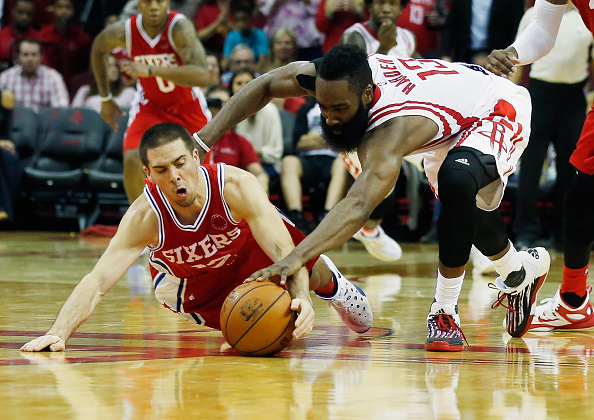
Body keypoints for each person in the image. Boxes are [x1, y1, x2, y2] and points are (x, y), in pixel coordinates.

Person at [195, 44, 552, 351]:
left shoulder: (388, 133)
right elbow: (266, 84)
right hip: (449, 106)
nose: (329, 119)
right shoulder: (334, 77)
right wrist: (202, 141)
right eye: (323, 107)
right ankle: (520, 274)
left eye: (340, 110)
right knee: (465, 209)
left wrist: (293, 260)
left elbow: (357, 205)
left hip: (493, 105)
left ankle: (444, 311)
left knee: (457, 182)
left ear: (366, 96)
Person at [20, 122, 372, 352]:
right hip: (195, 281)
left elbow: (284, 252)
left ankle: (335, 287)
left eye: (180, 163)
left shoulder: (235, 187)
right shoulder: (146, 215)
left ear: (196, 156)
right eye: (161, 170)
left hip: (250, 247)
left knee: (307, 264)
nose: (174, 176)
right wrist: (59, 331)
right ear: (148, 174)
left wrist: (303, 299)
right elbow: (97, 281)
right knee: (253, 334)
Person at [486, 0, 594, 331]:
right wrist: (513, 52)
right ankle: (574, 303)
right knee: (579, 198)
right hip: (545, 94)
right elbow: (545, 29)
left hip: (574, 94)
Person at [91, 0, 211, 204]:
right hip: (150, 106)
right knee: (132, 158)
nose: (154, 7)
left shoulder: (180, 28)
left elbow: (202, 76)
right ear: (139, 4)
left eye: (160, 1)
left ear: (168, 3)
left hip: (187, 107)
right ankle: (141, 221)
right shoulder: (125, 32)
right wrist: (105, 98)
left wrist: (150, 70)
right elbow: (98, 49)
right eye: (147, 1)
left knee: (197, 171)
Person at [510, 2, 591, 252]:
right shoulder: (532, 15)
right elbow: (517, 60)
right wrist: (509, 97)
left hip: (574, 97)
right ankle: (526, 231)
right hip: (540, 95)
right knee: (531, 168)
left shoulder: (585, 17)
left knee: (572, 169)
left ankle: (563, 231)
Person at [282, 97, 349, 233]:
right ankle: (297, 218)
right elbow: (298, 144)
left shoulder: (344, 107)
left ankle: (327, 218)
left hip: (334, 159)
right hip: (307, 160)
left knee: (342, 164)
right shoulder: (306, 108)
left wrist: (313, 138)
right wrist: (330, 136)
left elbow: (346, 138)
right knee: (289, 162)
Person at [205, 85, 270, 193]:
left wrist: (260, 189)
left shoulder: (239, 141)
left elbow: (259, 173)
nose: (221, 108)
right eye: (216, 103)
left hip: (229, 195)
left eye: (226, 103)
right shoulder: (192, 137)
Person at [230, 68, 284, 182]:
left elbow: (276, 153)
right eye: (238, 83)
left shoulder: (270, 111)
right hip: (237, 164)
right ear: (231, 88)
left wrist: (250, 151)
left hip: (266, 165)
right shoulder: (229, 112)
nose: (244, 87)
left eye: (248, 83)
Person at [441, 0, 524, 67]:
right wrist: (445, 54)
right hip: (465, 53)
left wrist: (509, 57)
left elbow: (516, 28)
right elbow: (451, 25)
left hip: (497, 54)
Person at [0, 38, 69, 112]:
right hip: (14, 122)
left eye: (34, 55)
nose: (30, 59)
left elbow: (61, 110)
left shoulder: (53, 78)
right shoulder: (6, 77)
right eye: (25, 55)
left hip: (44, 122)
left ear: (41, 57)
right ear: (18, 57)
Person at [37, 0, 92, 90]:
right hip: (50, 84)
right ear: (53, 9)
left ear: (73, 11)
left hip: (76, 86)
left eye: (67, 7)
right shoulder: (43, 36)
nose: (63, 11)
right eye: (60, 7)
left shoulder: (82, 38)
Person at [341, 0, 416, 58]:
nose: (386, 10)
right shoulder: (355, 36)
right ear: (370, 6)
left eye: (392, 3)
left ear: (401, 9)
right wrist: (384, 48)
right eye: (380, 3)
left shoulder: (407, 37)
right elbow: (356, 76)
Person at [71, 54, 137, 114]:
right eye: (109, 66)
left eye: (115, 65)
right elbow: (72, 115)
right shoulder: (85, 91)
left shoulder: (128, 93)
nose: (114, 70)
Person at [221, 4, 269, 68]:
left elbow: (262, 63)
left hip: (255, 72)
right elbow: (225, 62)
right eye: (237, 20)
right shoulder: (231, 36)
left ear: (250, 19)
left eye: (243, 19)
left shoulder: (260, 35)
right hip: (236, 71)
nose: (241, 24)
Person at [0, 90, 21, 229]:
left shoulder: (5, 97)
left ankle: (5, 212)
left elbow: (6, 133)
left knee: (10, 158)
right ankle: (3, 209)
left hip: (2, 148)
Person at [0, 0, 39, 71]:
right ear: (13, 11)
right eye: (20, 12)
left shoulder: (39, 37)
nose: (24, 17)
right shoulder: (1, 35)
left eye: (29, 14)